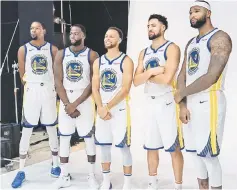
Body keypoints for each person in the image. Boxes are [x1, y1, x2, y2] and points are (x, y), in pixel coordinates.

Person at [175, 1, 232, 189]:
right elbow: (182, 74)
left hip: (210, 100)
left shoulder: (220, 37)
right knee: (194, 154)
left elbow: (212, 76)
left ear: (208, 13)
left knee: (208, 155)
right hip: (190, 102)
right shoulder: (191, 43)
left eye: (196, 11)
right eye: (190, 12)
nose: (192, 15)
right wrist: (182, 104)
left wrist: (181, 92)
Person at [133, 14, 184, 189]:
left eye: (153, 25)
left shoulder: (172, 48)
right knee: (151, 146)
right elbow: (135, 81)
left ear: (163, 27)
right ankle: (152, 183)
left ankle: (178, 185)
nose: (150, 29)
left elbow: (168, 78)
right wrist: (152, 72)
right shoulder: (143, 52)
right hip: (149, 102)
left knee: (173, 147)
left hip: (167, 102)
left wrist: (146, 75)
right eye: (148, 26)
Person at [12, 21, 60, 188]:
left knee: (52, 127)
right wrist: (29, 87)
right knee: (27, 129)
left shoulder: (53, 49)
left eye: (37, 28)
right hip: (32, 91)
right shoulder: (23, 49)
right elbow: (22, 73)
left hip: (48, 91)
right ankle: (20, 170)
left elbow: (57, 72)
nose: (33, 30)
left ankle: (55, 164)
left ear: (44, 30)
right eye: (31, 28)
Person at [53, 24, 99, 189]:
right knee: (64, 138)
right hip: (66, 99)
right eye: (71, 33)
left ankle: (91, 176)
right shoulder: (61, 54)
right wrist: (67, 104)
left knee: (88, 138)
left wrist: (75, 104)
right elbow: (58, 81)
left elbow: (93, 83)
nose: (72, 35)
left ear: (83, 35)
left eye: (76, 33)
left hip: (84, 100)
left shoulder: (92, 55)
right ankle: (64, 176)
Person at [92, 27, 134, 190]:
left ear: (119, 40)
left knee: (124, 147)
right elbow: (95, 88)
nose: (107, 38)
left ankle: (127, 183)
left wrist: (107, 107)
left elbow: (125, 89)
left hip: (119, 110)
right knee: (104, 146)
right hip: (102, 111)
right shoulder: (98, 61)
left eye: (111, 36)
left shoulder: (126, 61)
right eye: (106, 35)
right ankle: (106, 181)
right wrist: (100, 108)